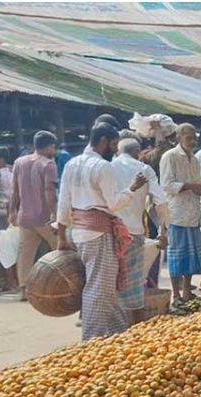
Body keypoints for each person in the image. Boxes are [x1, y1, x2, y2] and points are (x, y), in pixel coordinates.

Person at [57, 122, 147, 341]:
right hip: (98, 232)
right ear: (104, 141)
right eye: (114, 145)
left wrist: (61, 236)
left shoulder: (72, 163)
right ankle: (93, 337)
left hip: (79, 231)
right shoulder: (102, 167)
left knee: (103, 285)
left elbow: (63, 202)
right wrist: (132, 188)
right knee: (99, 287)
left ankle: (116, 331)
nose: (116, 151)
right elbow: (113, 204)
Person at [111, 138, 167, 321]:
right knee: (133, 281)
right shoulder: (144, 169)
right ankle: (134, 326)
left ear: (118, 151)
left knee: (112, 280)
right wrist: (163, 231)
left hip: (110, 232)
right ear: (137, 152)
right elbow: (160, 203)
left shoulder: (108, 167)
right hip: (133, 233)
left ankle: (114, 326)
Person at [159, 123, 201, 304]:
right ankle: (176, 295)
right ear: (179, 137)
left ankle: (187, 290)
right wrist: (190, 186)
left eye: (194, 138)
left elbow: (198, 183)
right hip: (176, 214)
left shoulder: (194, 159)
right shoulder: (170, 157)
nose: (193, 141)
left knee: (191, 256)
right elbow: (166, 185)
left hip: (193, 213)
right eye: (189, 138)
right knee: (177, 256)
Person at [8, 131, 60, 297]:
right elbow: (49, 190)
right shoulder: (48, 164)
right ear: (50, 146)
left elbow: (15, 190)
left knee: (25, 254)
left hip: (24, 216)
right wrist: (54, 213)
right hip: (44, 217)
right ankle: (62, 284)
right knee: (61, 250)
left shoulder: (19, 162)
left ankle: (24, 288)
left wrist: (12, 211)